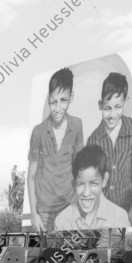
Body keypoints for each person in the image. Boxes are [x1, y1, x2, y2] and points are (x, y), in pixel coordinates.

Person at [28, 67, 84, 232]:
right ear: (48, 100)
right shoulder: (38, 131)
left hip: (69, 206)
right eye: (53, 102)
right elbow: (31, 176)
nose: (58, 108)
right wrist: (33, 213)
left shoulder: (77, 124)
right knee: (44, 254)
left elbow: (79, 167)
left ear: (71, 97)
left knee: (66, 254)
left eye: (63, 100)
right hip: (44, 209)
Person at [86, 72, 132, 226]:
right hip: (101, 212)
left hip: (125, 208)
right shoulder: (92, 140)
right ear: (100, 105)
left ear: (126, 101)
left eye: (118, 107)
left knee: (121, 249)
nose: (112, 114)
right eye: (107, 108)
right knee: (104, 248)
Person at [54, 144, 131, 230]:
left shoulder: (119, 218)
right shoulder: (61, 222)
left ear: (104, 180)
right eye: (80, 184)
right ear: (73, 185)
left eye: (93, 184)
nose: (86, 193)